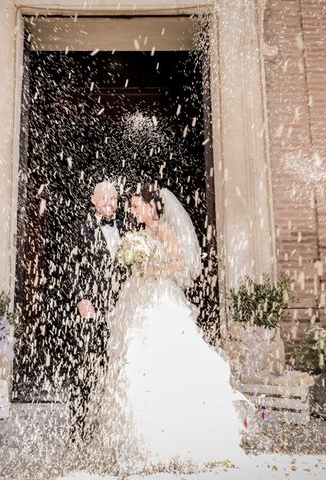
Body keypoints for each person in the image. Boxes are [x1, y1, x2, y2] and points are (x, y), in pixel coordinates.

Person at [85, 184, 251, 474]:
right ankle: (134, 439)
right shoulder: (139, 235)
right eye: (131, 206)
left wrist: (151, 271)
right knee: (131, 359)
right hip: (137, 297)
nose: (131, 210)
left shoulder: (162, 230)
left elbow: (179, 264)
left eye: (136, 206)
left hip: (160, 299)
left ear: (151, 207)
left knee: (160, 359)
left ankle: (171, 436)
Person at [67, 180, 127, 441]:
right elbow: (71, 266)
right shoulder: (80, 229)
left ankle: (113, 428)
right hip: (92, 308)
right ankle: (78, 428)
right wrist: (80, 297)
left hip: (123, 308)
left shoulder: (127, 228)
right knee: (87, 368)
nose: (109, 203)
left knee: (120, 367)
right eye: (104, 198)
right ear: (93, 199)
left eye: (113, 198)